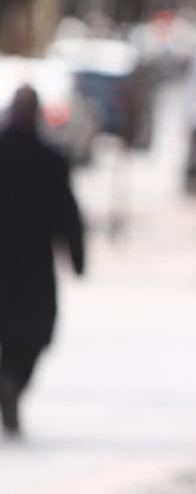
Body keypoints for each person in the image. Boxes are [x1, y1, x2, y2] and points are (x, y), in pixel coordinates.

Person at [0, 85, 86, 437]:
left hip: (20, 261)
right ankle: (13, 380)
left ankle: (9, 381)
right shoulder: (50, 159)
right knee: (33, 333)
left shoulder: (48, 159)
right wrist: (77, 257)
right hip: (34, 265)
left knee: (25, 332)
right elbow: (69, 214)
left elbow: (67, 210)